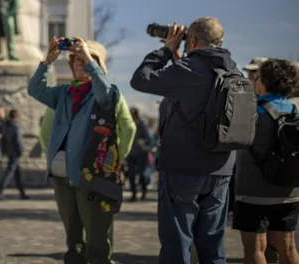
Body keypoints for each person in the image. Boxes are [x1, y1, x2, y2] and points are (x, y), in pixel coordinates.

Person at [130, 18, 236, 264]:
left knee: (177, 243)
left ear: (193, 40)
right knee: (212, 245)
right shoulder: (232, 69)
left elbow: (140, 79)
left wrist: (166, 49)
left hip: (183, 169)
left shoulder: (188, 70)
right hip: (221, 169)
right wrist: (181, 55)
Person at [28, 36, 136, 264]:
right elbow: (34, 89)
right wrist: (47, 61)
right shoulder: (64, 94)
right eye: (75, 60)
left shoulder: (106, 94)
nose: (79, 64)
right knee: (73, 242)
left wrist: (116, 161)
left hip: (94, 177)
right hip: (63, 177)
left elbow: (120, 114)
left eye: (84, 60)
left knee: (97, 243)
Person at [233, 59, 299, 264]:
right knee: (288, 247)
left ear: (264, 82)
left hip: (253, 192)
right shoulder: (294, 111)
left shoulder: (252, 111)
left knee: (255, 250)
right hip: (290, 190)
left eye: (257, 77)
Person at [0, 110, 28, 200]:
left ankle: (22, 193)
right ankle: (0, 192)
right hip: (15, 152)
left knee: (17, 173)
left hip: (9, 151)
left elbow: (4, 139)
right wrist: (20, 151)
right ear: (17, 117)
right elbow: (18, 140)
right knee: (10, 172)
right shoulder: (16, 126)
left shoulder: (7, 126)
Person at [126, 107, 152, 202]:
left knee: (141, 174)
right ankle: (134, 194)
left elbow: (148, 138)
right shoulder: (128, 123)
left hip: (140, 153)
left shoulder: (141, 124)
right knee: (131, 175)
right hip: (130, 153)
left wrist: (143, 141)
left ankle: (144, 192)